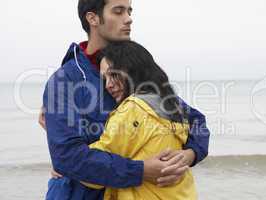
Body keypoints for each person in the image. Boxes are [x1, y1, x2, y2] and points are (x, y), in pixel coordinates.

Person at [41, 0, 210, 199]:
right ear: (93, 18)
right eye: (119, 11)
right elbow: (68, 158)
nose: (128, 19)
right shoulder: (64, 80)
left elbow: (193, 120)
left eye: (129, 11)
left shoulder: (134, 69)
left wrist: (189, 154)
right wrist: (141, 170)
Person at [81, 40, 198, 199]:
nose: (108, 85)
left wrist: (66, 165)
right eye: (105, 79)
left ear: (133, 70)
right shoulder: (174, 106)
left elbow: (93, 170)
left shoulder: (132, 109)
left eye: (113, 74)